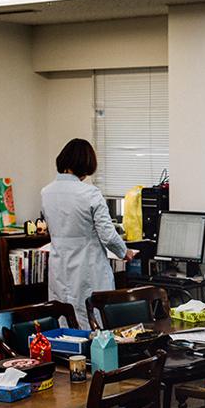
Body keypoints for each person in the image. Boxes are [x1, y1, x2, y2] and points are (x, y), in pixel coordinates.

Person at [41, 139, 134, 329]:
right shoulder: (90, 193)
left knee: (64, 317)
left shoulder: (46, 192)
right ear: (86, 165)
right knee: (93, 320)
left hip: (60, 265)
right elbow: (107, 235)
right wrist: (124, 252)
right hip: (88, 266)